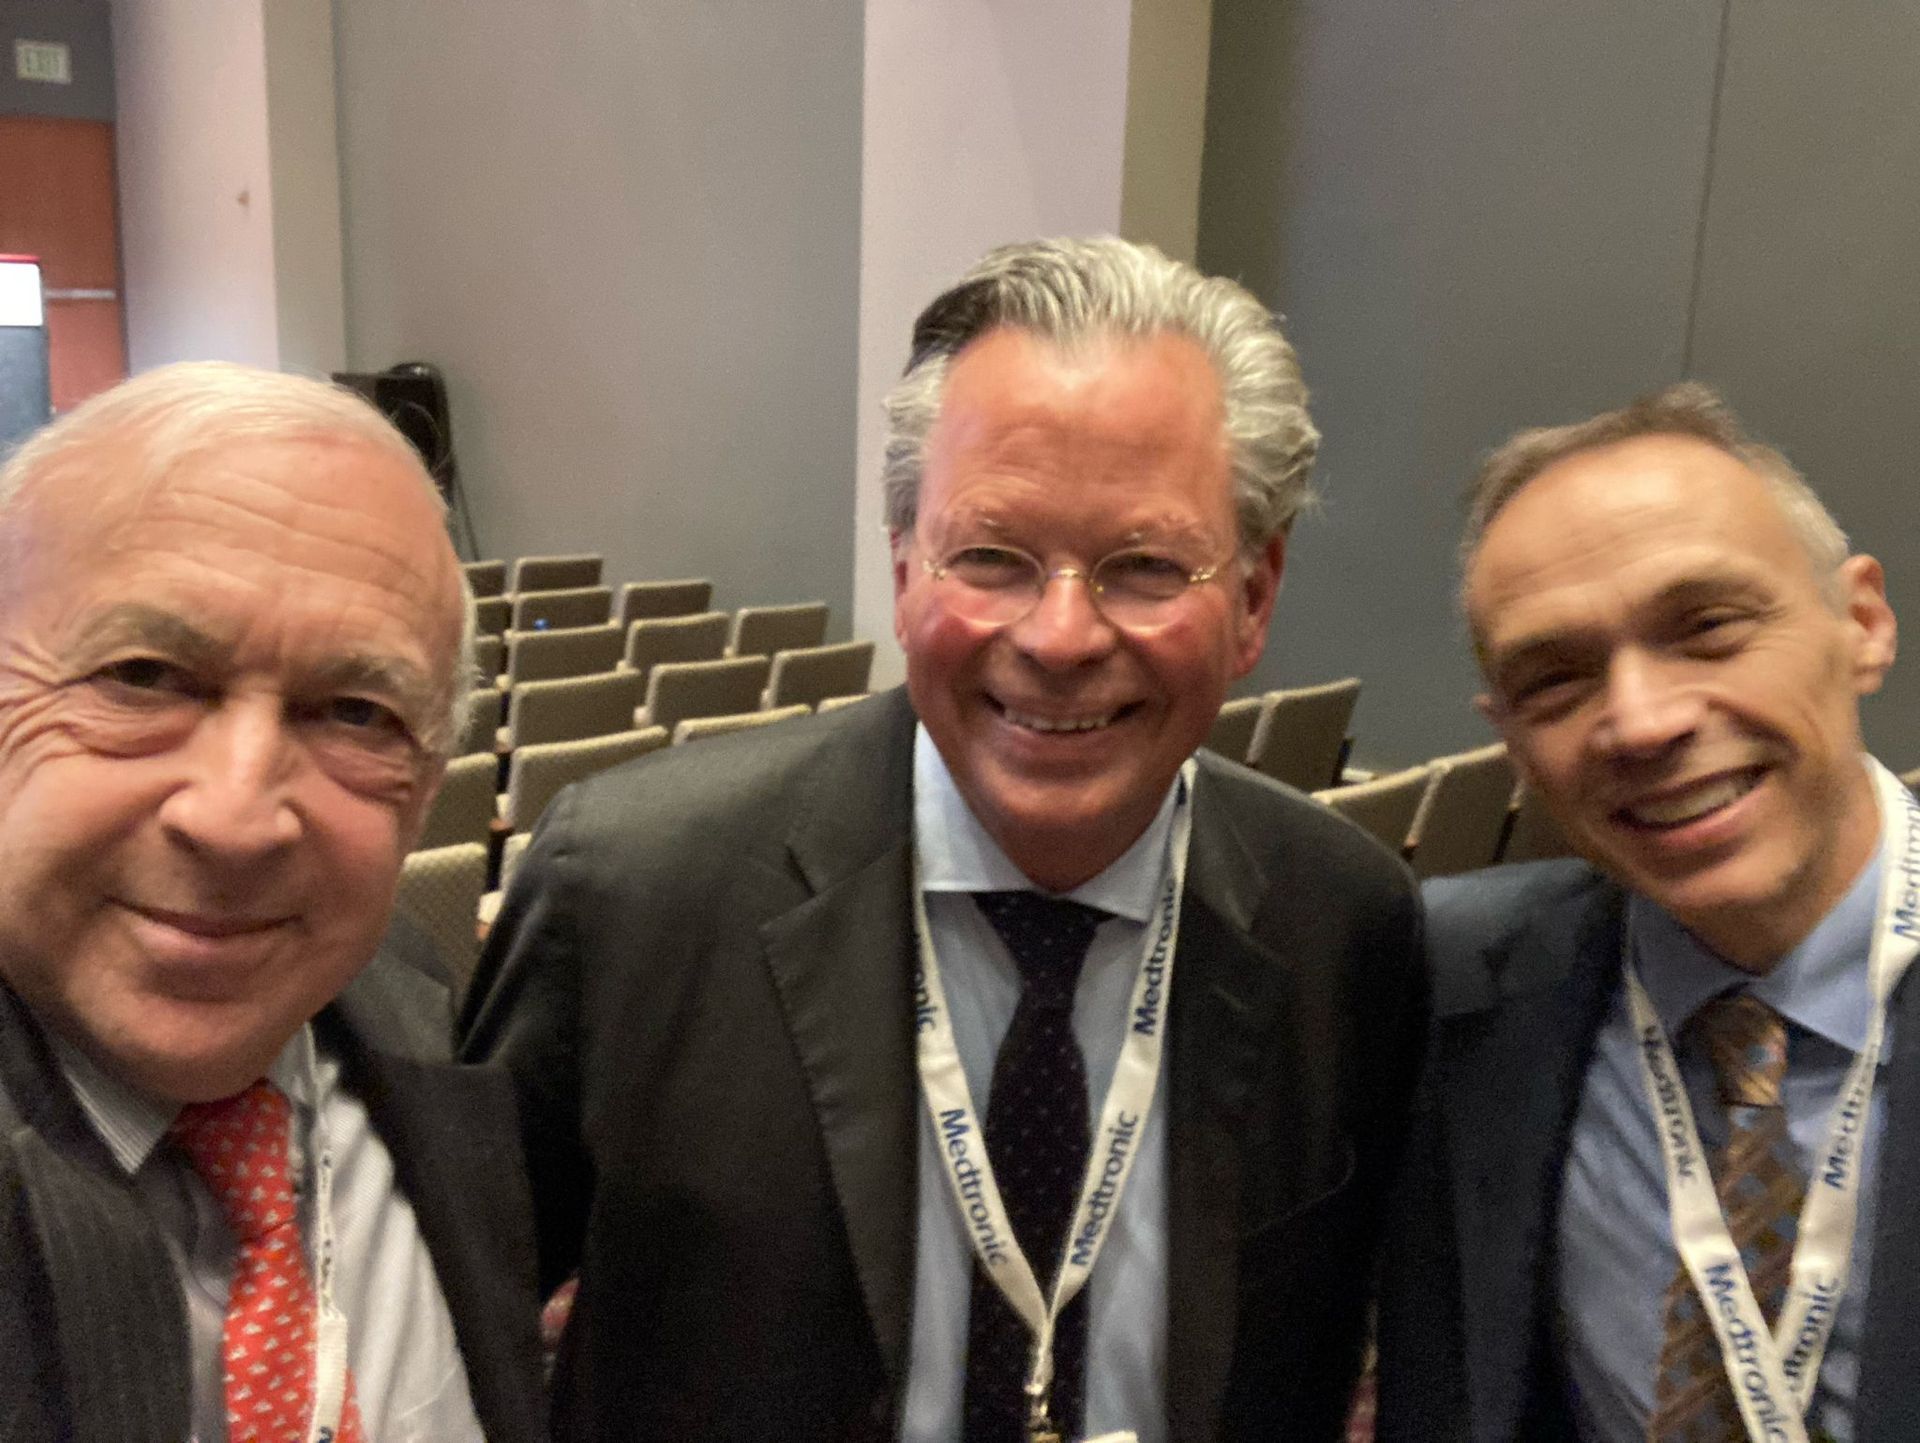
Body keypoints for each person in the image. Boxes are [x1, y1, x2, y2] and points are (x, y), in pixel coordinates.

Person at [461, 236, 1426, 1443]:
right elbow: (465, 1330)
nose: (1063, 634)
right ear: (907, 561)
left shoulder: (1346, 925)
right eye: (991, 557)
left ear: (1253, 598)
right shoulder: (633, 891)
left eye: (1145, 566)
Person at [0, 362, 546, 1442]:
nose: (238, 818)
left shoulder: (411, 1002)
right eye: (143, 677)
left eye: (353, 712)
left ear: (428, 785)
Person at [1376, 383, 1918, 1443]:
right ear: (1512, 743)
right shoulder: (1463, 978)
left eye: (1706, 628)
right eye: (1556, 679)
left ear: (1860, 624)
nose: (1640, 720)